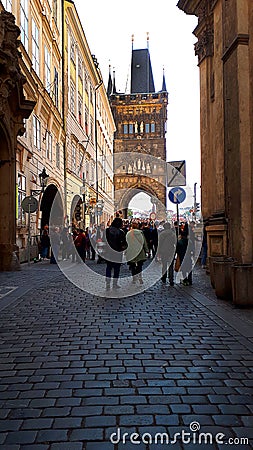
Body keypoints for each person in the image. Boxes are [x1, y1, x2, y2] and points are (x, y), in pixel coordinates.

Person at [104, 217, 127, 290]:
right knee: (116, 269)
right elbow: (124, 243)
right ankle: (115, 284)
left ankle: (107, 283)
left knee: (109, 268)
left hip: (108, 253)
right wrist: (123, 248)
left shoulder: (107, 231)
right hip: (117, 253)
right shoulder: (121, 232)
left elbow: (103, 241)